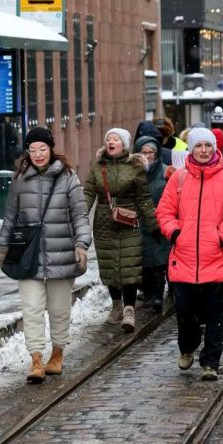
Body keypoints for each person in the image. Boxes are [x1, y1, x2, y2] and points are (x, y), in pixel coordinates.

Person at [0, 127, 92, 383]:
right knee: (32, 308)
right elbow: (10, 216)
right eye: (32, 149)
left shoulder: (68, 177)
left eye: (42, 148)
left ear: (51, 149)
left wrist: (81, 245)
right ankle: (36, 359)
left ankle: (57, 353)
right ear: (27, 152)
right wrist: (3, 246)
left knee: (60, 309)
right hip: (29, 254)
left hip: (62, 254)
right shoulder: (20, 179)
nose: (38, 154)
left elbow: (79, 215)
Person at [156, 128, 223, 381]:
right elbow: (164, 212)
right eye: (198, 146)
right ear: (191, 149)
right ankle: (187, 346)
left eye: (208, 145)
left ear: (215, 148)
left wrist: (220, 235)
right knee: (184, 312)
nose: (204, 150)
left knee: (216, 315)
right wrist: (176, 234)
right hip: (183, 260)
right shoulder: (179, 179)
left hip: (216, 260)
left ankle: (211, 362)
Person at [83, 127, 159, 331]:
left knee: (130, 267)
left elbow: (144, 199)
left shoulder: (135, 166)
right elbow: (89, 192)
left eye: (116, 139)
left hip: (129, 224)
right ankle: (116, 305)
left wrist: (153, 225)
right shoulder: (98, 167)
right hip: (104, 224)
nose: (111, 142)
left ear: (124, 144)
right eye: (109, 139)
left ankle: (129, 310)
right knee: (109, 267)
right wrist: (81, 214)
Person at [135, 134, 171, 314]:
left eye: (151, 152)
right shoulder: (133, 173)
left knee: (158, 261)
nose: (148, 156)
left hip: (159, 224)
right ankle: (148, 294)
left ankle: (156, 295)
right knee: (143, 261)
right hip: (138, 223)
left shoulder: (165, 173)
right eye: (144, 152)